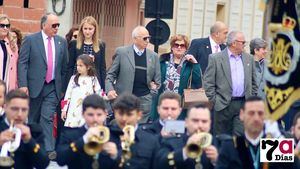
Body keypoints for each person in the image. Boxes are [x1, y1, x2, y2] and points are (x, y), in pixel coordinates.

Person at [18, 13, 68, 158]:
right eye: (54, 25)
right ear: (44, 25)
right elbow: (23, 63)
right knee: (33, 118)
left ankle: (49, 149)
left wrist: (62, 88)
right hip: (34, 86)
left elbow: (64, 67)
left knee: (47, 117)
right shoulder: (31, 39)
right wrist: (23, 84)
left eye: (58, 25)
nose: (56, 28)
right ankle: (31, 148)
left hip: (53, 87)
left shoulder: (61, 42)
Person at [216, 96, 300, 169]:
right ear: (242, 115)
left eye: (260, 113)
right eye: (251, 113)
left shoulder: (276, 145)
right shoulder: (230, 147)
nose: (256, 118)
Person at [204, 30, 258, 136]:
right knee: (221, 138)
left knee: (240, 137)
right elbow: (208, 82)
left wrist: (251, 99)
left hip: (243, 104)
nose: (244, 45)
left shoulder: (249, 58)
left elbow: (253, 82)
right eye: (243, 42)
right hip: (223, 105)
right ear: (234, 43)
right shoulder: (216, 58)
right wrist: (215, 100)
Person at [106, 26, 161, 123]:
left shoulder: (154, 56)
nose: (147, 41)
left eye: (149, 38)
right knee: (123, 129)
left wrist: (152, 92)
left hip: (144, 101)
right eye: (145, 38)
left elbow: (157, 80)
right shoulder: (121, 52)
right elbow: (110, 75)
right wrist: (110, 90)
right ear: (135, 39)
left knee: (138, 132)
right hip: (124, 99)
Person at [57, 94, 122, 169]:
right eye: (90, 115)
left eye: (99, 115)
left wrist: (116, 155)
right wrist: (83, 140)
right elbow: (61, 160)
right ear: (83, 114)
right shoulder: (71, 134)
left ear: (105, 114)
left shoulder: (114, 135)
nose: (95, 119)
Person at [151, 34, 201, 120]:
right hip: (163, 101)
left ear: (186, 48)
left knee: (176, 130)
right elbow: (154, 77)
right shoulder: (162, 61)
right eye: (176, 45)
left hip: (180, 103)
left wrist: (195, 63)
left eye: (182, 45)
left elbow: (198, 81)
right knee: (160, 127)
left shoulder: (189, 63)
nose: (179, 47)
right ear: (172, 47)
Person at [154, 104, 218, 169]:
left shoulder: (218, 143)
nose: (200, 125)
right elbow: (160, 164)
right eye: (195, 121)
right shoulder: (170, 142)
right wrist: (184, 152)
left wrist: (217, 160)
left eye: (204, 121)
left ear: (210, 124)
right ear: (186, 122)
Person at [0, 89, 49, 169]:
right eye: (14, 109)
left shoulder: (34, 131)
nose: (19, 114)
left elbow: (43, 163)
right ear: (5, 108)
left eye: (24, 110)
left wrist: (30, 141)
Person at [112, 93, 160, 169]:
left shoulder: (151, 141)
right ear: (115, 113)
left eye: (129, 114)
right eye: (121, 114)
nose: (124, 118)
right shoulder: (106, 136)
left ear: (139, 115)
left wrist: (116, 156)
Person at [61, 54, 105, 127]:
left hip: (87, 110)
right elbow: (68, 95)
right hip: (74, 111)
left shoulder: (93, 79)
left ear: (88, 67)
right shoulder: (73, 79)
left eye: (81, 66)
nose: (78, 67)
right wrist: (64, 110)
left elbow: (99, 94)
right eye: (77, 65)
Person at [67, 16, 106, 90]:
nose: (87, 31)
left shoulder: (101, 45)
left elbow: (102, 68)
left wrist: (103, 88)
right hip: (78, 81)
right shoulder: (74, 43)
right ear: (81, 29)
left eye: (90, 29)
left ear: (95, 29)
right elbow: (70, 66)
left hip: (94, 82)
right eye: (85, 28)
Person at [0, 14, 19, 91]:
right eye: (2, 25)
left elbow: (16, 66)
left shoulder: (12, 45)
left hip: (8, 84)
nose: (5, 28)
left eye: (7, 26)